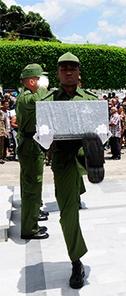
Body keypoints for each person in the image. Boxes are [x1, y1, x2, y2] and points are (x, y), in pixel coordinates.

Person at [42, 52, 105, 289]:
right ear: (58, 73)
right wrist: (44, 138)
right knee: (68, 214)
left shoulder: (89, 99)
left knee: (90, 144)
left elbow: (100, 126)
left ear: (79, 72)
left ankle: (93, 162)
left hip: (84, 149)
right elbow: (41, 135)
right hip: (62, 157)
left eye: (73, 68)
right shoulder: (48, 101)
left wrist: (103, 134)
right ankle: (76, 260)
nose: (68, 72)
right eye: (63, 68)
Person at [16, 64, 50, 240]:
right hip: (30, 146)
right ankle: (30, 228)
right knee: (32, 188)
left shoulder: (26, 96)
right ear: (31, 81)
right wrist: (43, 86)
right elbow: (42, 100)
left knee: (31, 186)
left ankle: (32, 219)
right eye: (39, 78)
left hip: (31, 144)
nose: (43, 81)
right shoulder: (27, 98)